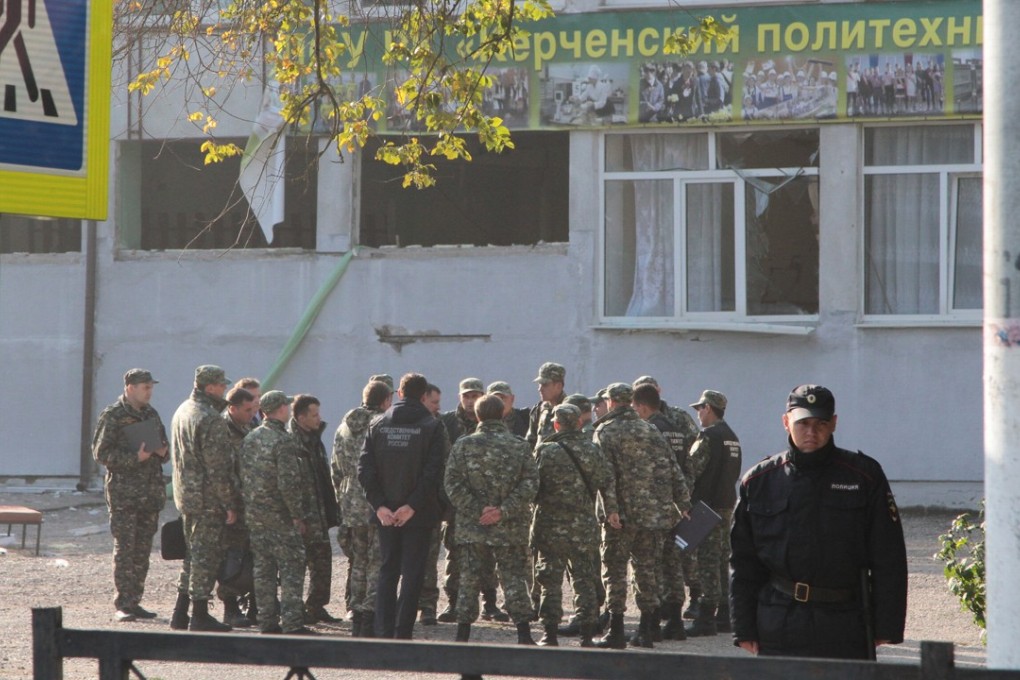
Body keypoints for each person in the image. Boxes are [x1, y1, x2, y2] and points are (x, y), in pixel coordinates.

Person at [730, 385, 908, 659]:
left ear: (834, 423)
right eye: (803, 423)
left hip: (844, 622)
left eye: (821, 423)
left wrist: (887, 626)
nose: (811, 432)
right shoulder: (759, 481)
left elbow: (889, 556)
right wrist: (744, 628)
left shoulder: (863, 476)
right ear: (786, 421)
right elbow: (743, 561)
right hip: (779, 619)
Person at [595, 383, 688, 649]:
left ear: (612, 402)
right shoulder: (651, 429)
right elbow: (672, 468)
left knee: (614, 571)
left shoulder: (605, 431)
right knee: (647, 570)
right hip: (653, 515)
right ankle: (647, 630)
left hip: (621, 517)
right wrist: (683, 503)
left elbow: (606, 475)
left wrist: (611, 509)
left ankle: (616, 631)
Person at [444, 394, 539, 646]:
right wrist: (503, 510)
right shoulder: (519, 446)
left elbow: (452, 484)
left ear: (477, 416)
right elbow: (530, 484)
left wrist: (478, 510)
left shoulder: (463, 445)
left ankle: (462, 634)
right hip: (510, 527)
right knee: (514, 577)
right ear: (503, 414)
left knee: (469, 579)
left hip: (472, 528)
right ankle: (524, 634)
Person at [358, 372, 446, 639]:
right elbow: (433, 472)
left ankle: (382, 630)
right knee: (413, 572)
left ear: (398, 393)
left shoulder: (377, 424)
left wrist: (380, 506)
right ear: (423, 396)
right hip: (417, 515)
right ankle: (402, 631)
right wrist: (412, 506)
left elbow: (364, 470)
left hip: (386, 513)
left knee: (387, 569)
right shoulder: (432, 426)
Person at [92, 369, 169, 622]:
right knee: (125, 548)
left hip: (149, 493)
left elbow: (165, 451)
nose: (149, 391)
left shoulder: (151, 414)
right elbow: (101, 454)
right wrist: (135, 458)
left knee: (142, 549)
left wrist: (161, 451)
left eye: (151, 386)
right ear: (130, 388)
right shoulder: (113, 416)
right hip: (125, 494)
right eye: (145, 386)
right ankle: (123, 603)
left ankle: (135, 600)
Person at [532, 404, 611, 648]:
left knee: (550, 580)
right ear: (579, 423)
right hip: (584, 526)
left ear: (556, 424)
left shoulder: (546, 450)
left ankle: (550, 634)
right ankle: (586, 634)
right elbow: (605, 482)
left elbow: (533, 487)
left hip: (550, 526)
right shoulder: (593, 449)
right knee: (585, 579)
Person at [241, 391, 316, 635]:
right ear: (281, 409)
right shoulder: (283, 441)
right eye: (287, 405)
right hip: (281, 516)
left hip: (256, 515)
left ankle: (267, 621)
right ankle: (293, 622)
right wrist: (298, 515)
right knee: (292, 567)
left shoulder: (251, 437)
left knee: (263, 569)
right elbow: (288, 483)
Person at [170, 365, 237, 632]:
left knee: (193, 554)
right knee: (205, 556)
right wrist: (229, 502)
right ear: (210, 388)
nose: (225, 390)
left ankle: (180, 612)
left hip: (187, 495)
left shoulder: (184, 409)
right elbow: (218, 467)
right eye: (221, 385)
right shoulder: (210, 418)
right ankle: (199, 614)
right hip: (207, 498)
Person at [333, 379, 392, 636]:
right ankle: (370, 614)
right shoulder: (383, 425)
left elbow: (335, 467)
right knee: (377, 560)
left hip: (350, 501)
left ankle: (355, 610)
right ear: (385, 400)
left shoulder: (343, 427)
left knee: (357, 560)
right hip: (375, 501)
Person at [632, 383, 689, 640]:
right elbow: (685, 468)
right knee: (673, 564)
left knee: (651, 565)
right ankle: (675, 620)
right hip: (675, 507)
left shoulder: (650, 430)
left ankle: (652, 623)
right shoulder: (675, 428)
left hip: (654, 509)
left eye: (636, 408)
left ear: (643, 406)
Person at [685, 390, 742, 638]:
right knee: (721, 559)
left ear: (708, 408)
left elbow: (692, 468)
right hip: (726, 504)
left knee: (707, 560)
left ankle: (706, 617)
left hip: (705, 506)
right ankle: (725, 615)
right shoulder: (732, 437)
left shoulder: (708, 437)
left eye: (700, 409)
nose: (698, 414)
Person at [289, 394, 342, 624]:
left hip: (319, 512)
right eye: (314, 414)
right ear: (301, 417)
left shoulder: (314, 438)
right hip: (303, 514)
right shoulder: (290, 441)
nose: (319, 419)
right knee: (298, 564)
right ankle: (296, 609)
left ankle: (316, 606)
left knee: (322, 561)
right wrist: (296, 515)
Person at [216, 386, 258, 628]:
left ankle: (253, 605)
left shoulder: (249, 427)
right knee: (230, 556)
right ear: (232, 408)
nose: (252, 414)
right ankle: (230, 607)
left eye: (254, 410)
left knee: (251, 555)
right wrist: (229, 503)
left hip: (250, 503)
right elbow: (222, 471)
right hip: (232, 504)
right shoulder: (222, 431)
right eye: (247, 410)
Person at [526, 362, 566, 449]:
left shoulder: (570, 410)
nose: (540, 389)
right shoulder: (539, 409)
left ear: (558, 386)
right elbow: (530, 442)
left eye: (545, 385)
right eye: (539, 384)